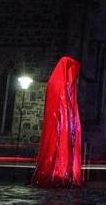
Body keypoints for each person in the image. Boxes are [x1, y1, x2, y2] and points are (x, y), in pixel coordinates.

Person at [31, 56, 82, 188]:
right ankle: (57, 172)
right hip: (58, 127)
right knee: (56, 147)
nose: (73, 78)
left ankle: (65, 172)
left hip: (66, 126)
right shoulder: (56, 84)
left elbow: (70, 107)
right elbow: (54, 108)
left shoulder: (69, 88)